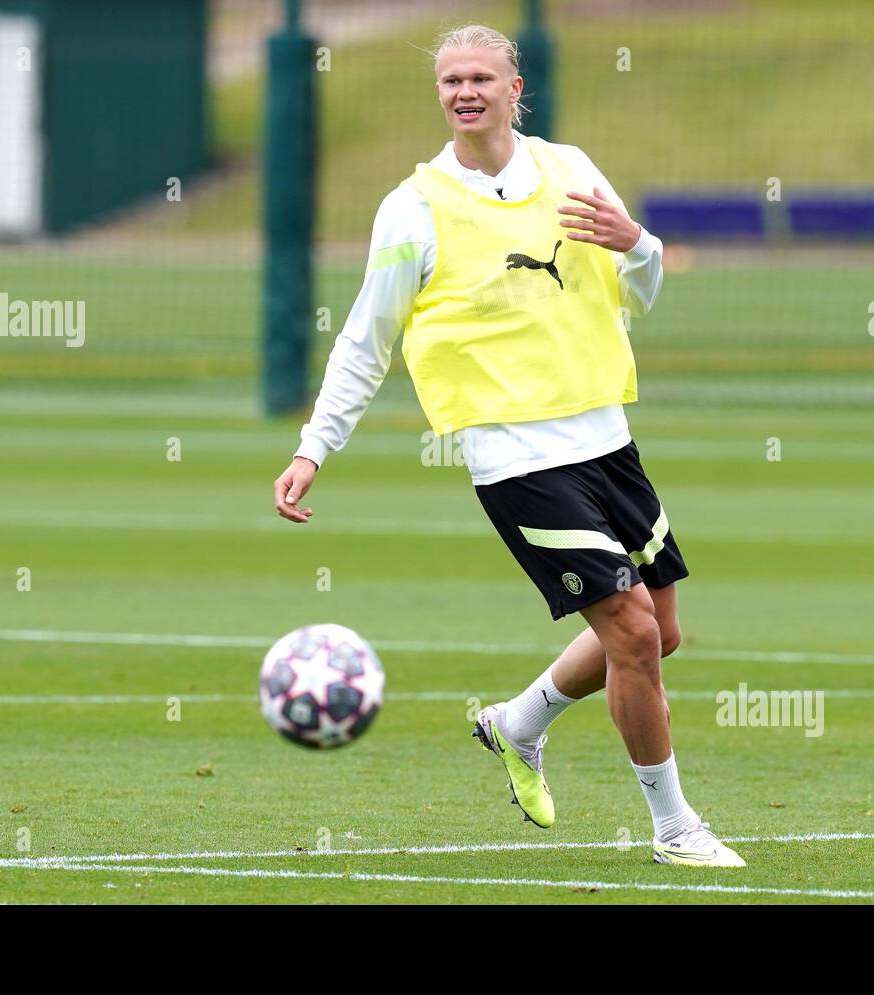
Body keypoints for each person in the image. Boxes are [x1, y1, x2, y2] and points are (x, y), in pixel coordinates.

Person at [273, 23, 744, 868]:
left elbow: (641, 290)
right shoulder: (413, 207)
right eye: (451, 79)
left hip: (606, 436)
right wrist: (315, 446)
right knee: (632, 633)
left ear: (514, 88)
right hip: (515, 458)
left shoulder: (570, 169)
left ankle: (516, 722)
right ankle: (675, 827)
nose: (465, 91)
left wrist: (639, 244)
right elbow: (364, 340)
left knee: (661, 632)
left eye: (481, 77)